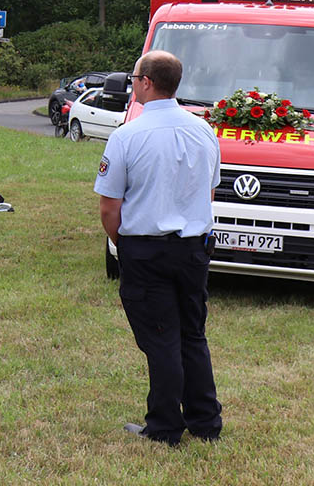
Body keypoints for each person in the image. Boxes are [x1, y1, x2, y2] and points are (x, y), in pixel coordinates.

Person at [94, 50, 222, 446]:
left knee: (162, 337)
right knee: (192, 334)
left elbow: (109, 206)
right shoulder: (204, 131)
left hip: (146, 250)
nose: (132, 85)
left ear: (146, 82)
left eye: (134, 79)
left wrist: (124, 244)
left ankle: (165, 426)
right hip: (193, 248)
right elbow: (210, 190)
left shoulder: (127, 135)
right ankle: (204, 420)